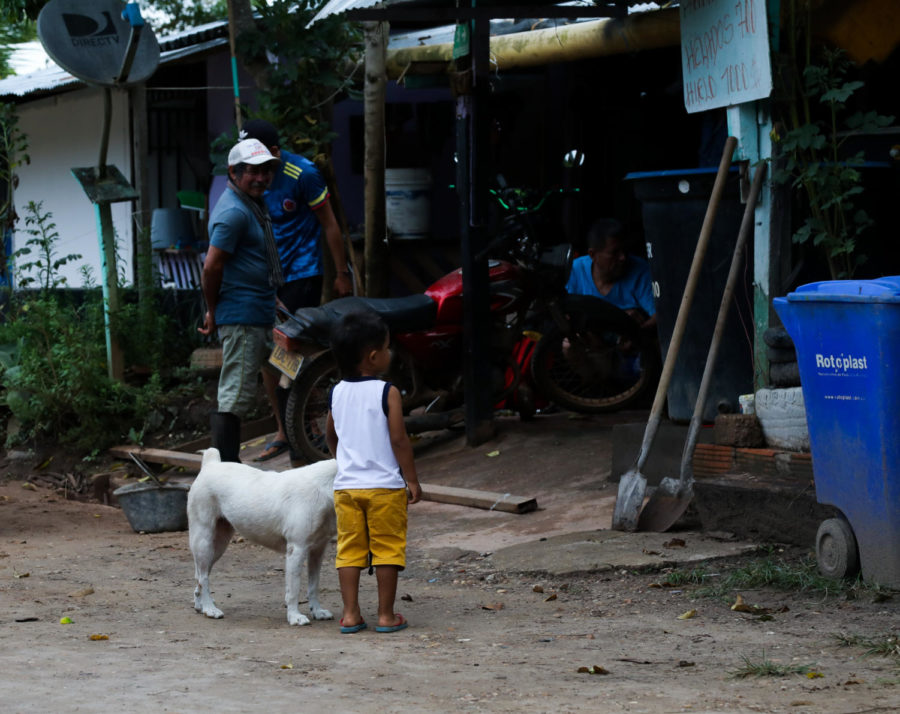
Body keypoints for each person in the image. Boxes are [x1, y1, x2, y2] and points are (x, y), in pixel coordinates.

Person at [239, 118, 353, 462]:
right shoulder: (248, 177)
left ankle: (305, 428)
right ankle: (283, 428)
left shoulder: (302, 174)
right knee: (268, 358)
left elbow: (329, 223)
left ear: (274, 152)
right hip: (265, 277)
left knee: (289, 354)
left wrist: (342, 271)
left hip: (302, 273)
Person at [324, 311, 422, 634]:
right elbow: (399, 439)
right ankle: (385, 615)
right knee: (387, 548)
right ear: (373, 356)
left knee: (349, 549)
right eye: (387, 347)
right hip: (384, 488)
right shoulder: (387, 392)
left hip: (347, 488)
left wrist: (345, 461)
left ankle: (350, 614)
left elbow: (331, 434)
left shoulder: (336, 393)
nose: (390, 353)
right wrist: (411, 478)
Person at [198, 138, 283, 462]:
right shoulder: (233, 212)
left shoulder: (251, 203)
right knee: (235, 395)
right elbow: (212, 265)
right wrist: (212, 309)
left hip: (262, 311)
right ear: (234, 172)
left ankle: (294, 440)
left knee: (289, 372)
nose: (261, 178)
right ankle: (225, 471)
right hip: (243, 317)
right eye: (253, 172)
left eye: (266, 172)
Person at [566, 217, 657, 334]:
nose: (623, 257)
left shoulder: (639, 271)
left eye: (624, 250)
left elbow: (659, 316)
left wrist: (635, 331)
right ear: (592, 254)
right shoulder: (575, 271)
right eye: (614, 253)